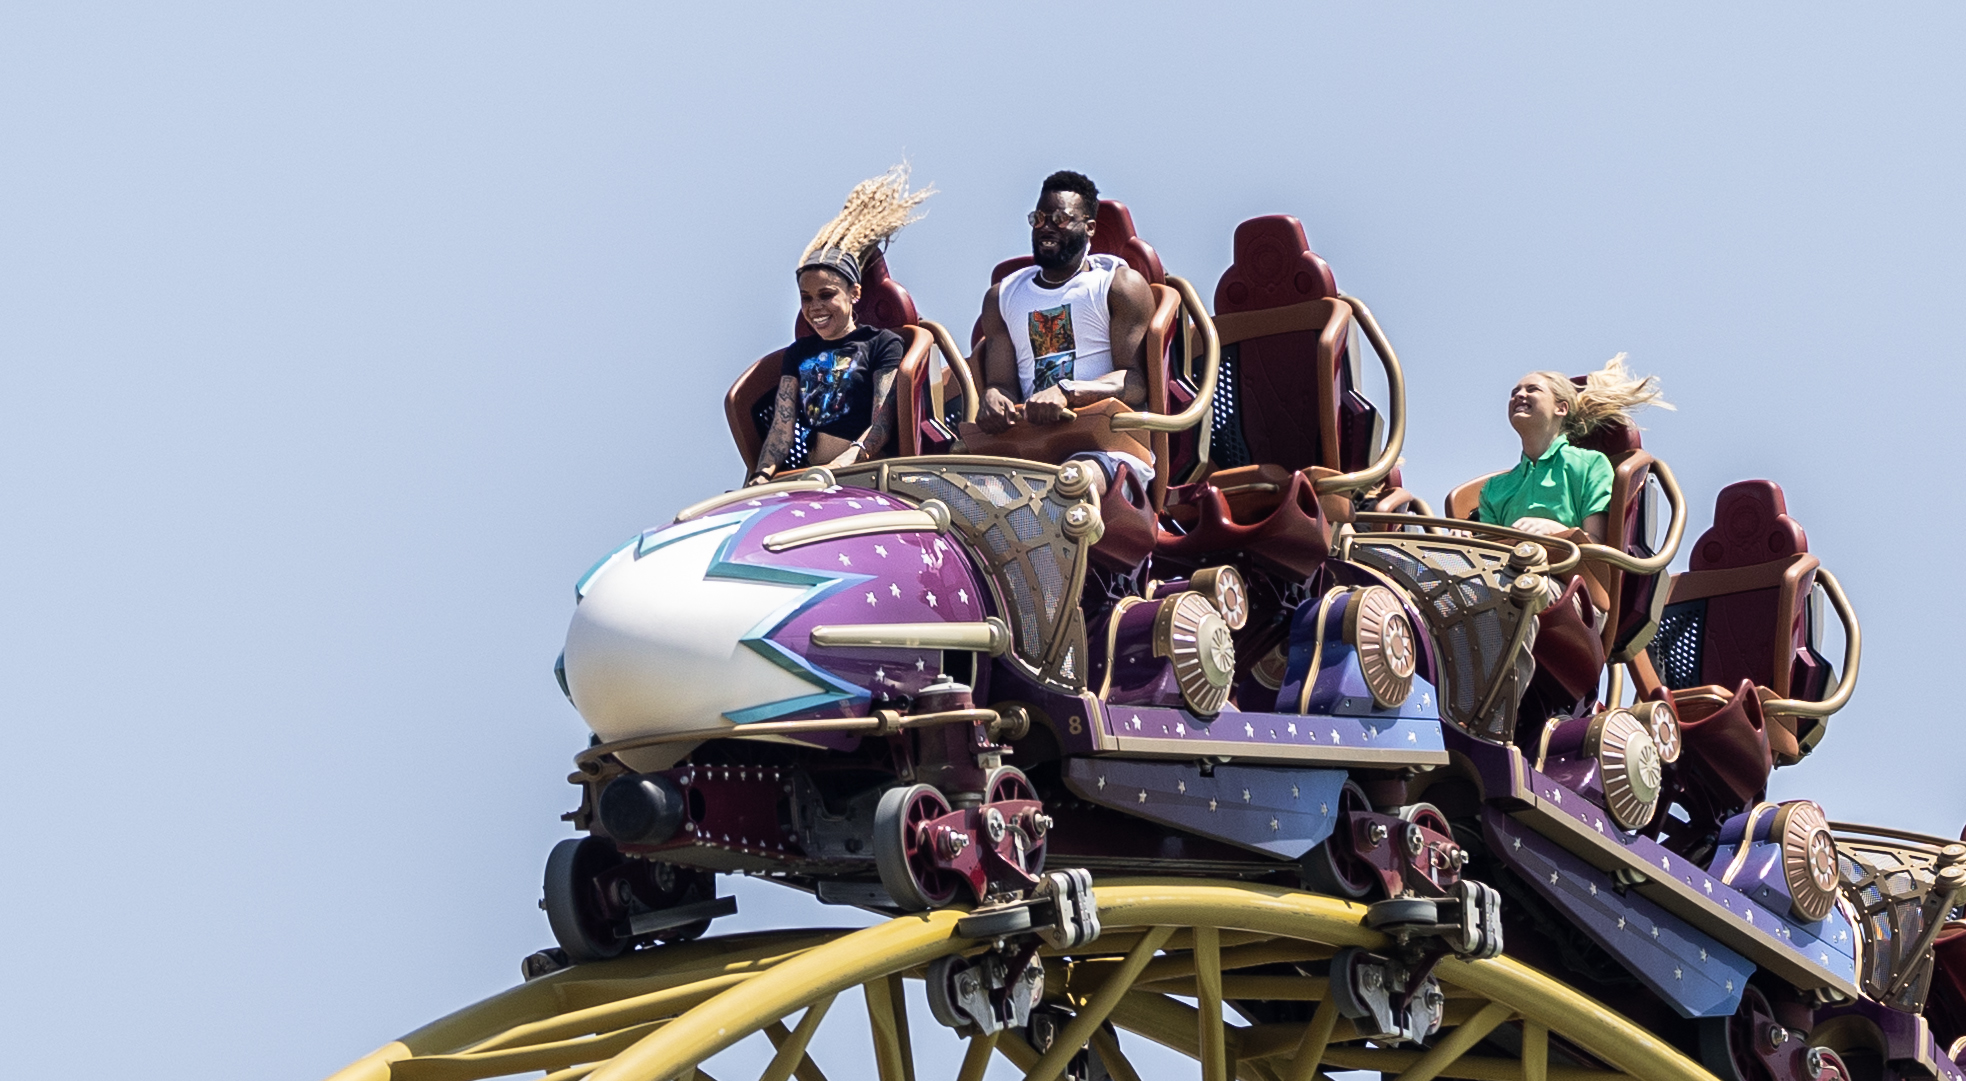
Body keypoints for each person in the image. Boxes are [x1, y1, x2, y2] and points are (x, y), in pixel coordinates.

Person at [748, 166, 934, 486]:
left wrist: (843, 464)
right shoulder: (799, 353)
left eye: (826, 295)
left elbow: (882, 423)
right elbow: (781, 428)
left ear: (854, 293)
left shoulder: (882, 343)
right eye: (806, 298)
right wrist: (762, 476)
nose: (815, 307)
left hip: (863, 474)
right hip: (812, 477)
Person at [970, 170, 1157, 482]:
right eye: (1039, 218)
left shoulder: (1117, 285)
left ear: (1089, 227)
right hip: (1029, 449)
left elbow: (1136, 383)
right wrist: (993, 396)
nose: (1046, 227)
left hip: (1107, 448)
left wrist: (1067, 392)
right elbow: (1002, 384)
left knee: (1069, 481)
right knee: (963, 494)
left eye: (1060, 218)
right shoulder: (1002, 296)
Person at [1478, 354, 1671, 544]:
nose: (1519, 395)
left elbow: (1596, 546)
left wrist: (1554, 530)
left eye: (1532, 389)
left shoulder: (1590, 465)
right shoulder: (1494, 488)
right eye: (1514, 392)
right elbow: (1486, 554)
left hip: (1571, 565)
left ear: (1561, 408)